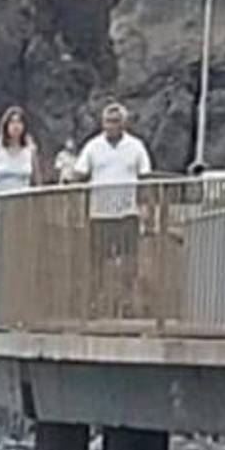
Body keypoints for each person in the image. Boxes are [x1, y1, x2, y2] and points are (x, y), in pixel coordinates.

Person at [73, 103, 153, 318]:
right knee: (97, 262)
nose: (111, 126)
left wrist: (146, 208)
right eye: (108, 121)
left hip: (127, 212)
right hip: (100, 213)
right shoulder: (93, 146)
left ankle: (126, 303)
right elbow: (79, 172)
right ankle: (94, 305)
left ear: (123, 123)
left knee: (129, 262)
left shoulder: (136, 146)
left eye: (116, 121)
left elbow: (145, 177)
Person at [0, 106, 40, 194]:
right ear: (6, 126)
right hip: (0, 201)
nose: (16, 126)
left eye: (19, 122)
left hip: (23, 200)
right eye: (12, 122)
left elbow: (37, 182)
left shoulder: (31, 149)